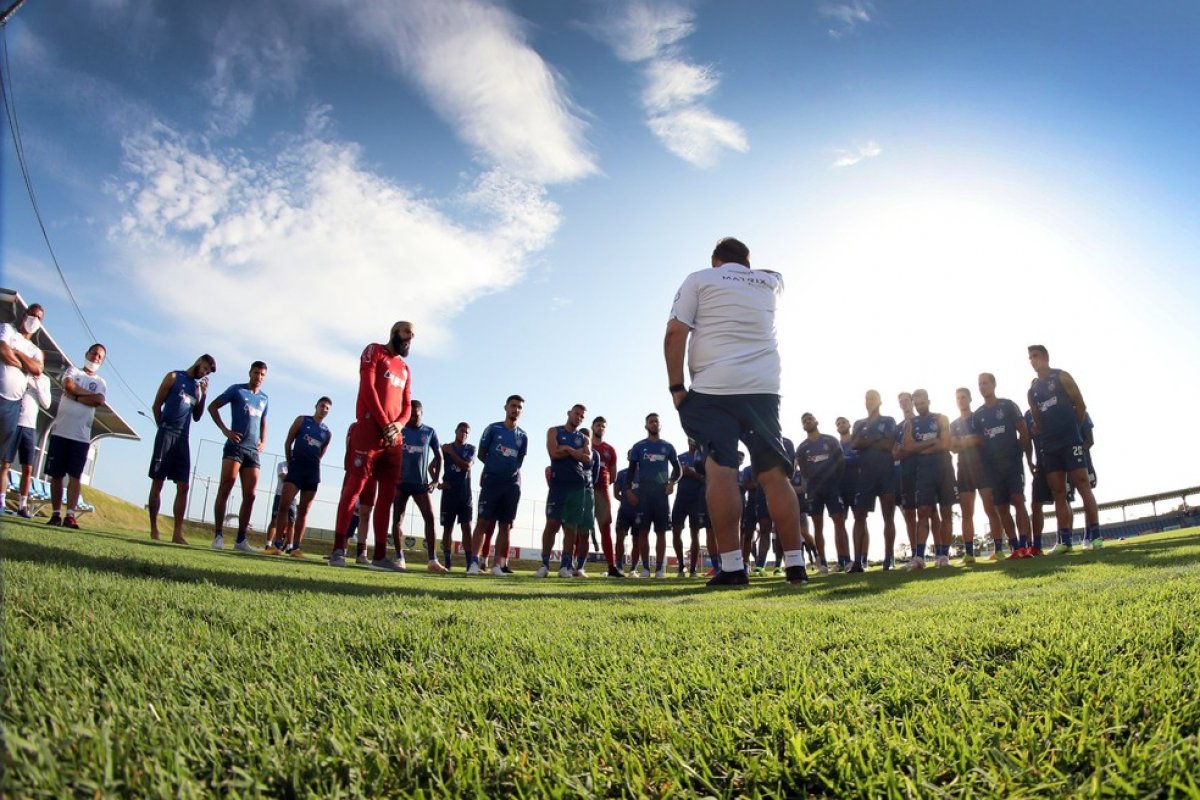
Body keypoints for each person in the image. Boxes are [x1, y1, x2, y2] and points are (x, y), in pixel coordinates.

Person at [664, 236, 809, 586]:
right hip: (763, 388)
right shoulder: (770, 281)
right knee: (775, 475)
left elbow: (674, 333)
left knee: (722, 469)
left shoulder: (699, 278)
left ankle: (731, 567)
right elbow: (767, 272)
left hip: (715, 387)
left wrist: (676, 387)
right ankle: (795, 565)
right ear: (746, 261)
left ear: (715, 260)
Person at [330, 322, 414, 570]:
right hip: (369, 430)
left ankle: (379, 557)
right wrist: (384, 422)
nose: (410, 338)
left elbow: (407, 405)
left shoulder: (406, 369)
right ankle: (338, 549)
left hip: (393, 439)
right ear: (394, 333)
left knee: (386, 498)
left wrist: (397, 426)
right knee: (353, 489)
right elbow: (367, 389)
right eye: (407, 333)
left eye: (413, 335)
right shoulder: (374, 351)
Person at [1027, 345, 1101, 552]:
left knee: (1083, 485)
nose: (1033, 360)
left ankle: (1095, 537)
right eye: (1030, 357)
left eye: (1036, 356)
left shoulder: (1062, 377)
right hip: (1050, 446)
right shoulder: (1032, 391)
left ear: (1046, 357)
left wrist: (1073, 432)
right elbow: (1037, 420)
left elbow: (1081, 405)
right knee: (1058, 492)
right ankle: (1065, 542)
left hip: (1070, 441)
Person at [146, 355, 215, 542]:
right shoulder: (174, 377)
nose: (204, 372)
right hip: (166, 432)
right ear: (199, 360)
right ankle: (154, 528)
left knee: (183, 485)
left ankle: (177, 532)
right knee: (158, 482)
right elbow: (156, 405)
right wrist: (162, 427)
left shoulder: (197, 388)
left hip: (183, 438)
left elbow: (198, 416)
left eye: (208, 372)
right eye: (205, 367)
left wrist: (204, 395)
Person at [207, 361, 269, 552]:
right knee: (225, 488)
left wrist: (263, 441)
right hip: (235, 448)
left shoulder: (265, 398)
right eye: (256, 372)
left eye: (262, 374)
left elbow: (263, 421)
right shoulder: (237, 390)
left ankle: (241, 540)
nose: (258, 377)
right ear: (250, 372)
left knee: (250, 495)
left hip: (252, 452)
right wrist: (226, 430)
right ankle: (218, 535)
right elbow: (213, 407)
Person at [45, 344, 108, 528]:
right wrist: (82, 395)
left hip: (80, 436)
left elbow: (98, 400)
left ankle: (70, 515)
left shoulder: (101, 382)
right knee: (56, 475)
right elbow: (68, 385)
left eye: (100, 356)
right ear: (87, 353)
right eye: (94, 353)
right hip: (61, 431)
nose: (96, 357)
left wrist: (76, 396)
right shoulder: (73, 371)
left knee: (75, 476)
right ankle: (56, 513)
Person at [974, 373, 1035, 559]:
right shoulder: (978, 415)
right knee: (1001, 508)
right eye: (979, 384)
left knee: (1018, 500)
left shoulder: (1008, 405)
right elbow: (979, 443)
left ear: (994, 384)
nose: (982, 387)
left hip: (1012, 462)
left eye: (985, 383)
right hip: (993, 468)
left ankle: (1025, 543)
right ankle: (1015, 546)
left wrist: (1025, 456)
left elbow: (1023, 431)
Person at [466, 395, 528, 576]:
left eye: (519, 407)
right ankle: (474, 563)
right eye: (513, 406)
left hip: (511, 484)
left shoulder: (523, 436)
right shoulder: (493, 429)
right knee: (483, 521)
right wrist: (493, 468)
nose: (515, 410)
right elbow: (482, 454)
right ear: (506, 407)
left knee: (505, 525)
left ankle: (496, 566)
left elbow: (519, 460)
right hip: (492, 481)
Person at [267, 397, 332, 557]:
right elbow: (288, 442)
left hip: (312, 473)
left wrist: (313, 465)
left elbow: (321, 453)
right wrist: (291, 463)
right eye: (322, 406)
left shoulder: (327, 432)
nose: (324, 409)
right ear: (316, 406)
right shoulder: (302, 420)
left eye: (327, 408)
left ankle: (295, 547)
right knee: (284, 506)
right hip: (296, 469)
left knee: (303, 511)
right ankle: (276, 545)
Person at [536, 404, 593, 578]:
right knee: (552, 524)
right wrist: (576, 453)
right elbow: (554, 453)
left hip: (577, 486)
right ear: (569, 413)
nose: (579, 418)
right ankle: (544, 564)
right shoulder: (554, 431)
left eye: (582, 416)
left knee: (571, 527)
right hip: (558, 484)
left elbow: (588, 460)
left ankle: (565, 566)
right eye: (577, 414)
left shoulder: (584, 438)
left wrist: (567, 449)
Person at [391, 400, 446, 573]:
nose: (413, 417)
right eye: (411, 414)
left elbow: (440, 457)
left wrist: (436, 480)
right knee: (397, 520)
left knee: (429, 518)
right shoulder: (401, 428)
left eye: (416, 414)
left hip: (420, 484)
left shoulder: (429, 432)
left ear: (422, 413)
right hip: (401, 483)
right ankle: (399, 558)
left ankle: (432, 560)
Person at [903, 389, 956, 568]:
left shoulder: (941, 418)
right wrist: (932, 442)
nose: (919, 406)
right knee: (923, 512)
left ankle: (943, 555)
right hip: (923, 471)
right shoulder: (910, 423)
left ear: (928, 400)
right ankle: (919, 557)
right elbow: (908, 447)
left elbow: (946, 444)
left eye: (922, 402)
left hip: (944, 469)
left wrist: (921, 447)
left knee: (946, 512)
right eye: (916, 404)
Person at [0, 303, 45, 505]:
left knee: (4, 457)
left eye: (39, 318)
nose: (34, 319)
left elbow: (36, 369)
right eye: (32, 314)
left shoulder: (36, 350)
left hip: (13, 406)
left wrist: (17, 353)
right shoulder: (8, 329)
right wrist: (22, 363)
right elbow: (3, 350)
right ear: (25, 314)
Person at [627, 412, 681, 579]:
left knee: (661, 532)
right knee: (643, 531)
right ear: (646, 425)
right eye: (650, 421)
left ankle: (659, 569)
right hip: (643, 495)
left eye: (656, 421)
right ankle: (645, 569)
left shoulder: (668, 446)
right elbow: (630, 471)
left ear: (660, 424)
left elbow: (678, 469)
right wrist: (628, 490)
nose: (653, 423)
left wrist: (672, 482)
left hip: (661, 495)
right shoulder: (638, 446)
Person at [796, 413, 852, 571]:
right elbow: (804, 470)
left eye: (810, 419)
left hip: (833, 487)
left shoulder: (830, 440)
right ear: (803, 426)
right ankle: (824, 563)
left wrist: (833, 479)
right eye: (804, 421)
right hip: (814, 490)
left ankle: (846, 560)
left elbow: (840, 463)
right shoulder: (802, 447)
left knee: (839, 522)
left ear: (816, 421)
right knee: (817, 526)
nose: (807, 422)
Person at [849, 390, 897, 570]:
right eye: (866, 398)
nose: (869, 401)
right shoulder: (859, 424)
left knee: (888, 516)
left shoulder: (889, 421)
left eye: (872, 398)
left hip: (885, 472)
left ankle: (889, 558)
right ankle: (857, 561)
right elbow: (853, 444)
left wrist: (866, 441)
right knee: (859, 515)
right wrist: (875, 439)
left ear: (880, 401)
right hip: (865, 475)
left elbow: (888, 444)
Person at [2, 357, 51, 519]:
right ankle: (1, 501)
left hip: (30, 428)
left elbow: (46, 403)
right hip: (14, 423)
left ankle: (22, 506)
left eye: (39, 361)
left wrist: (36, 384)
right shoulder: (21, 373)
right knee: (6, 464)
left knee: (28, 468)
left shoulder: (44, 380)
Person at [949, 387, 985, 564]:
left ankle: (1000, 549)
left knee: (990, 508)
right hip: (963, 469)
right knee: (966, 513)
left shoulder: (978, 417)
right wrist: (968, 440)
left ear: (970, 399)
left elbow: (981, 439)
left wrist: (963, 441)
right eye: (958, 398)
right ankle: (969, 554)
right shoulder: (953, 424)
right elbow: (953, 447)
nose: (961, 400)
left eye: (964, 397)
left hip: (982, 466)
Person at [438, 422, 476, 571]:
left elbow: (466, 466)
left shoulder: (470, 449)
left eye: (467, 432)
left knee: (466, 527)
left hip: (465, 494)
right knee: (447, 528)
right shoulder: (445, 448)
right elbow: (432, 466)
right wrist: (437, 482)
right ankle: (447, 562)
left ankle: (469, 563)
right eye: (462, 431)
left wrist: (451, 453)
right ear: (456, 431)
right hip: (449, 494)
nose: (464, 434)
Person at [590, 416, 622, 577]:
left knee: (606, 529)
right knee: (577, 529)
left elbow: (614, 475)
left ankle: (612, 566)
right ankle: (571, 566)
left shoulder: (610, 449)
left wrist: (604, 484)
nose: (600, 428)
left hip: (603, 492)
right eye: (598, 425)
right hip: (585, 491)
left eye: (603, 425)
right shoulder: (585, 446)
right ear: (592, 427)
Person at [671, 438, 706, 578]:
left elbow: (707, 479)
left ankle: (693, 569)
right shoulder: (680, 457)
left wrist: (693, 474)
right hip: (681, 499)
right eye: (690, 439)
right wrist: (673, 480)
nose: (692, 442)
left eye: (694, 439)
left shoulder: (703, 458)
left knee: (695, 534)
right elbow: (673, 476)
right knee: (676, 531)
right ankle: (681, 566)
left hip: (697, 500)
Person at [265, 462, 297, 551]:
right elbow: (284, 477)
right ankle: (269, 544)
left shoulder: (298, 466)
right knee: (275, 520)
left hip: (293, 497)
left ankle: (290, 546)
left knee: (291, 521)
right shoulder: (282, 465)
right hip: (280, 495)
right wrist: (297, 477)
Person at [612, 466, 635, 577]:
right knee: (620, 537)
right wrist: (626, 500)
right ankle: (619, 566)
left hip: (639, 510)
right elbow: (616, 494)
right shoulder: (622, 473)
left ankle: (633, 569)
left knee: (637, 539)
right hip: (624, 510)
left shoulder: (645, 471)